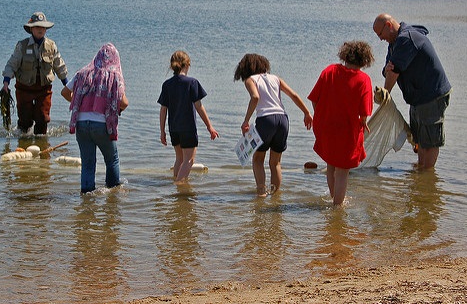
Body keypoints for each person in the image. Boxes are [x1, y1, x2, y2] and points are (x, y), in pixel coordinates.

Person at [373, 14, 451, 170]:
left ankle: (427, 174)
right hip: (417, 98)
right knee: (419, 139)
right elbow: (387, 70)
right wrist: (388, 71)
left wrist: (385, 95)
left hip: (431, 95)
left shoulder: (406, 39)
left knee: (430, 141)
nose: (380, 39)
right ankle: (422, 175)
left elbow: (394, 71)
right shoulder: (394, 42)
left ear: (389, 25)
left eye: (380, 34)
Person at [233, 54, 313, 197]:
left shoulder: (250, 80)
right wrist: (306, 112)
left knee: (258, 159)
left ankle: (261, 193)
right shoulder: (276, 78)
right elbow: (293, 95)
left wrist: (246, 121)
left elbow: (255, 97)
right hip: (283, 119)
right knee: (275, 163)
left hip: (265, 120)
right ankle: (275, 197)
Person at [308, 41, 374, 206]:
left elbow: (315, 99)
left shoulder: (329, 71)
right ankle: (338, 207)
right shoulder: (364, 80)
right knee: (343, 171)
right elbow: (364, 112)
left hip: (327, 127)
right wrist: (364, 122)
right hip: (347, 131)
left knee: (331, 165)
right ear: (365, 61)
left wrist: (323, 116)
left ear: (345, 55)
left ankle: (334, 198)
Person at [61, 43, 128, 194]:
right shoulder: (114, 76)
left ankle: (86, 196)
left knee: (87, 163)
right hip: (102, 125)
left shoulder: (82, 73)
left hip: (81, 124)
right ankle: (113, 193)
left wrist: (78, 103)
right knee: (112, 160)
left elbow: (65, 92)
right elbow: (124, 102)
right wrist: (116, 108)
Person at [158, 51, 219, 184]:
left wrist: (162, 131)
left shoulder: (167, 84)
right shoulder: (192, 83)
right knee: (189, 160)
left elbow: (163, 110)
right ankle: (179, 185)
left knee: (179, 159)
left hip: (173, 128)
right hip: (188, 128)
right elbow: (199, 107)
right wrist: (210, 127)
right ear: (187, 64)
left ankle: (178, 184)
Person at [2, 12, 68, 135]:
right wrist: (6, 82)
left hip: (44, 90)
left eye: (43, 27)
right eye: (37, 27)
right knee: (25, 121)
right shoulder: (22, 45)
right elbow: (12, 64)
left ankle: (42, 149)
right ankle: (23, 146)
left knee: (43, 119)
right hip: (24, 89)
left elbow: (59, 65)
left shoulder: (51, 45)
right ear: (31, 29)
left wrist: (67, 84)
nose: (40, 30)